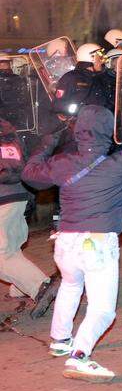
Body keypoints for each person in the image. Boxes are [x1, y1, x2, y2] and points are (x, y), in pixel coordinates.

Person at [21, 105, 122, 382]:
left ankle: (60, 339)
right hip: (98, 245)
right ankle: (79, 356)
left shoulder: (62, 162)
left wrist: (47, 143)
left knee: (70, 285)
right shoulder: (120, 163)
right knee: (102, 309)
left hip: (65, 243)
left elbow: (29, 174)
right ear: (108, 131)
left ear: (78, 132)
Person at [0, 119, 59, 318]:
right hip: (18, 193)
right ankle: (19, 286)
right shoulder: (6, 127)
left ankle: (41, 286)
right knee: (9, 248)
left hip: (2, 198)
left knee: (1, 255)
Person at [51, 43, 107, 119]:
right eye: (99, 56)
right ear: (91, 58)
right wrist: (80, 110)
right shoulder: (71, 77)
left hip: (100, 123)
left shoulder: (101, 78)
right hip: (80, 124)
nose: (102, 60)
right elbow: (58, 105)